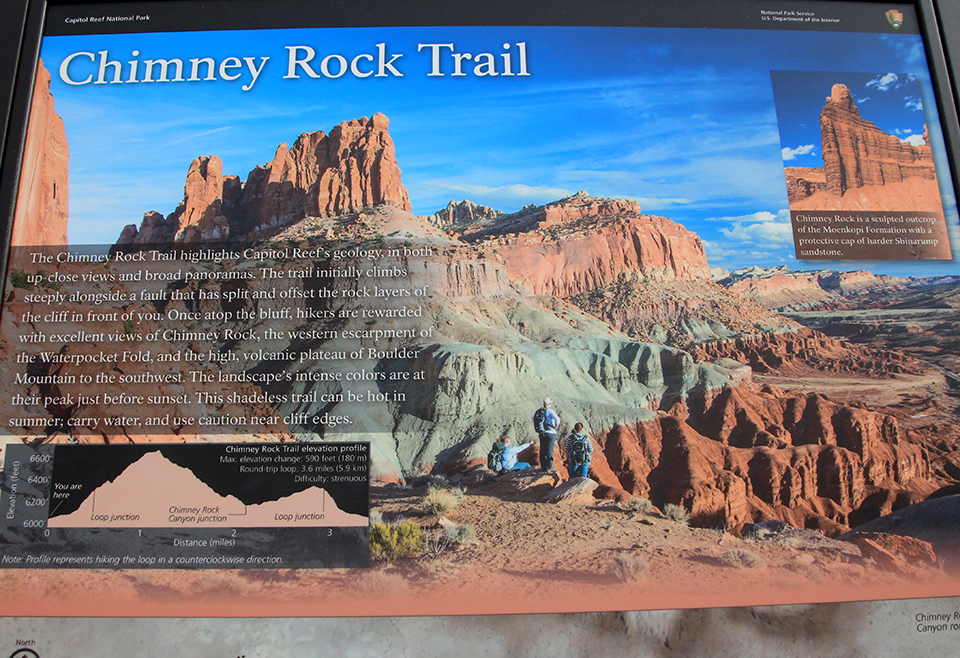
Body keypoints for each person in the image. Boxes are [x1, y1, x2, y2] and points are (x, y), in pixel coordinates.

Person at [533, 397, 560, 472]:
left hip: (542, 433)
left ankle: (543, 467)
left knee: (543, 449)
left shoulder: (539, 411)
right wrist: (556, 426)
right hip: (551, 433)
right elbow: (557, 419)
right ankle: (549, 467)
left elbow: (533, 418)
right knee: (549, 450)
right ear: (549, 404)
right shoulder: (550, 411)